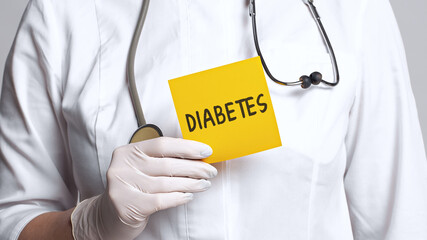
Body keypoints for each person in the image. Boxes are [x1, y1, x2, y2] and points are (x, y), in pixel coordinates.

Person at [1, 0, 427, 239]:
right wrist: (91, 225)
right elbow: (12, 219)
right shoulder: (63, 12)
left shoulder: (353, 10)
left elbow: (402, 224)